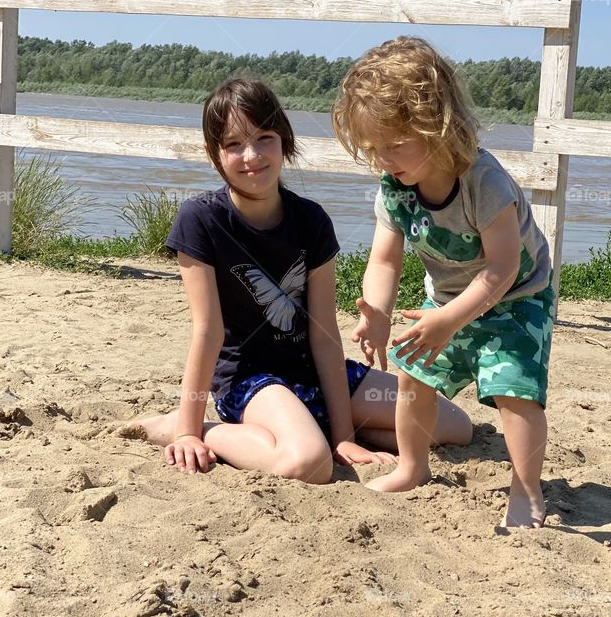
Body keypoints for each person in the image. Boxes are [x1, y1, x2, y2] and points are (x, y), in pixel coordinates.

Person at [127, 78, 472, 485]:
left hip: (310, 371)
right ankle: (203, 429)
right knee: (308, 463)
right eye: (234, 144)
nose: (251, 155)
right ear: (213, 154)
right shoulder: (201, 220)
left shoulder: (311, 221)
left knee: (451, 425)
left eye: (264, 138)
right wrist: (187, 430)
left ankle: (320, 427)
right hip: (251, 380)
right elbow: (208, 331)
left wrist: (344, 438)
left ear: (285, 141)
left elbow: (324, 334)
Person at [332, 37, 555, 527]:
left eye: (394, 144)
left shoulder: (484, 182)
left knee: (512, 389)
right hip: (448, 298)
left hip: (517, 297)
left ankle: (527, 489)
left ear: (437, 125)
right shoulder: (395, 187)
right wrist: (377, 313)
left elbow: (503, 268)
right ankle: (413, 467)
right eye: (372, 148)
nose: (384, 159)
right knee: (411, 368)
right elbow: (385, 260)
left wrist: (449, 321)